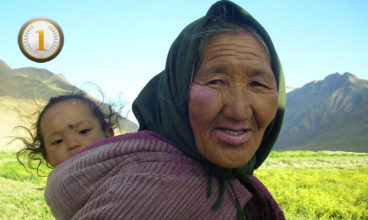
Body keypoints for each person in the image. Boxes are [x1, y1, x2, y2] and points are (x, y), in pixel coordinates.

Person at [44, 1, 285, 219]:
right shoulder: (146, 195)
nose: (239, 111)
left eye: (258, 84)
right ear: (177, 93)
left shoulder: (238, 184)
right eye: (215, 81)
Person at [16, 93, 117, 171]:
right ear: (47, 157)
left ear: (108, 135)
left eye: (83, 131)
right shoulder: (55, 191)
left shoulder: (127, 167)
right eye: (58, 141)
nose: (72, 144)